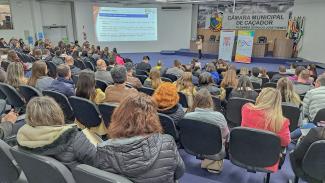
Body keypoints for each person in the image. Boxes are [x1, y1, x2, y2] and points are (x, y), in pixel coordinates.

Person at [95, 93, 185, 183]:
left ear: (119, 116)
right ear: (153, 118)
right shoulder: (168, 142)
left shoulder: (104, 150)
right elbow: (179, 172)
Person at [16, 97, 96, 169]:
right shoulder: (74, 137)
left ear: (30, 117)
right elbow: (101, 163)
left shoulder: (23, 136)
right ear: (57, 113)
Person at [241, 88, 291, 172]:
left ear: (260, 97)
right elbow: (285, 142)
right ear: (278, 103)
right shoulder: (282, 122)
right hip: (267, 159)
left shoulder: (246, 108)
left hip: (243, 151)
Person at [184, 89, 229, 173]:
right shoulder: (219, 116)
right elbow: (226, 135)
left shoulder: (187, 116)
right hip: (214, 148)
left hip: (194, 145)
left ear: (195, 101)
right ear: (210, 101)